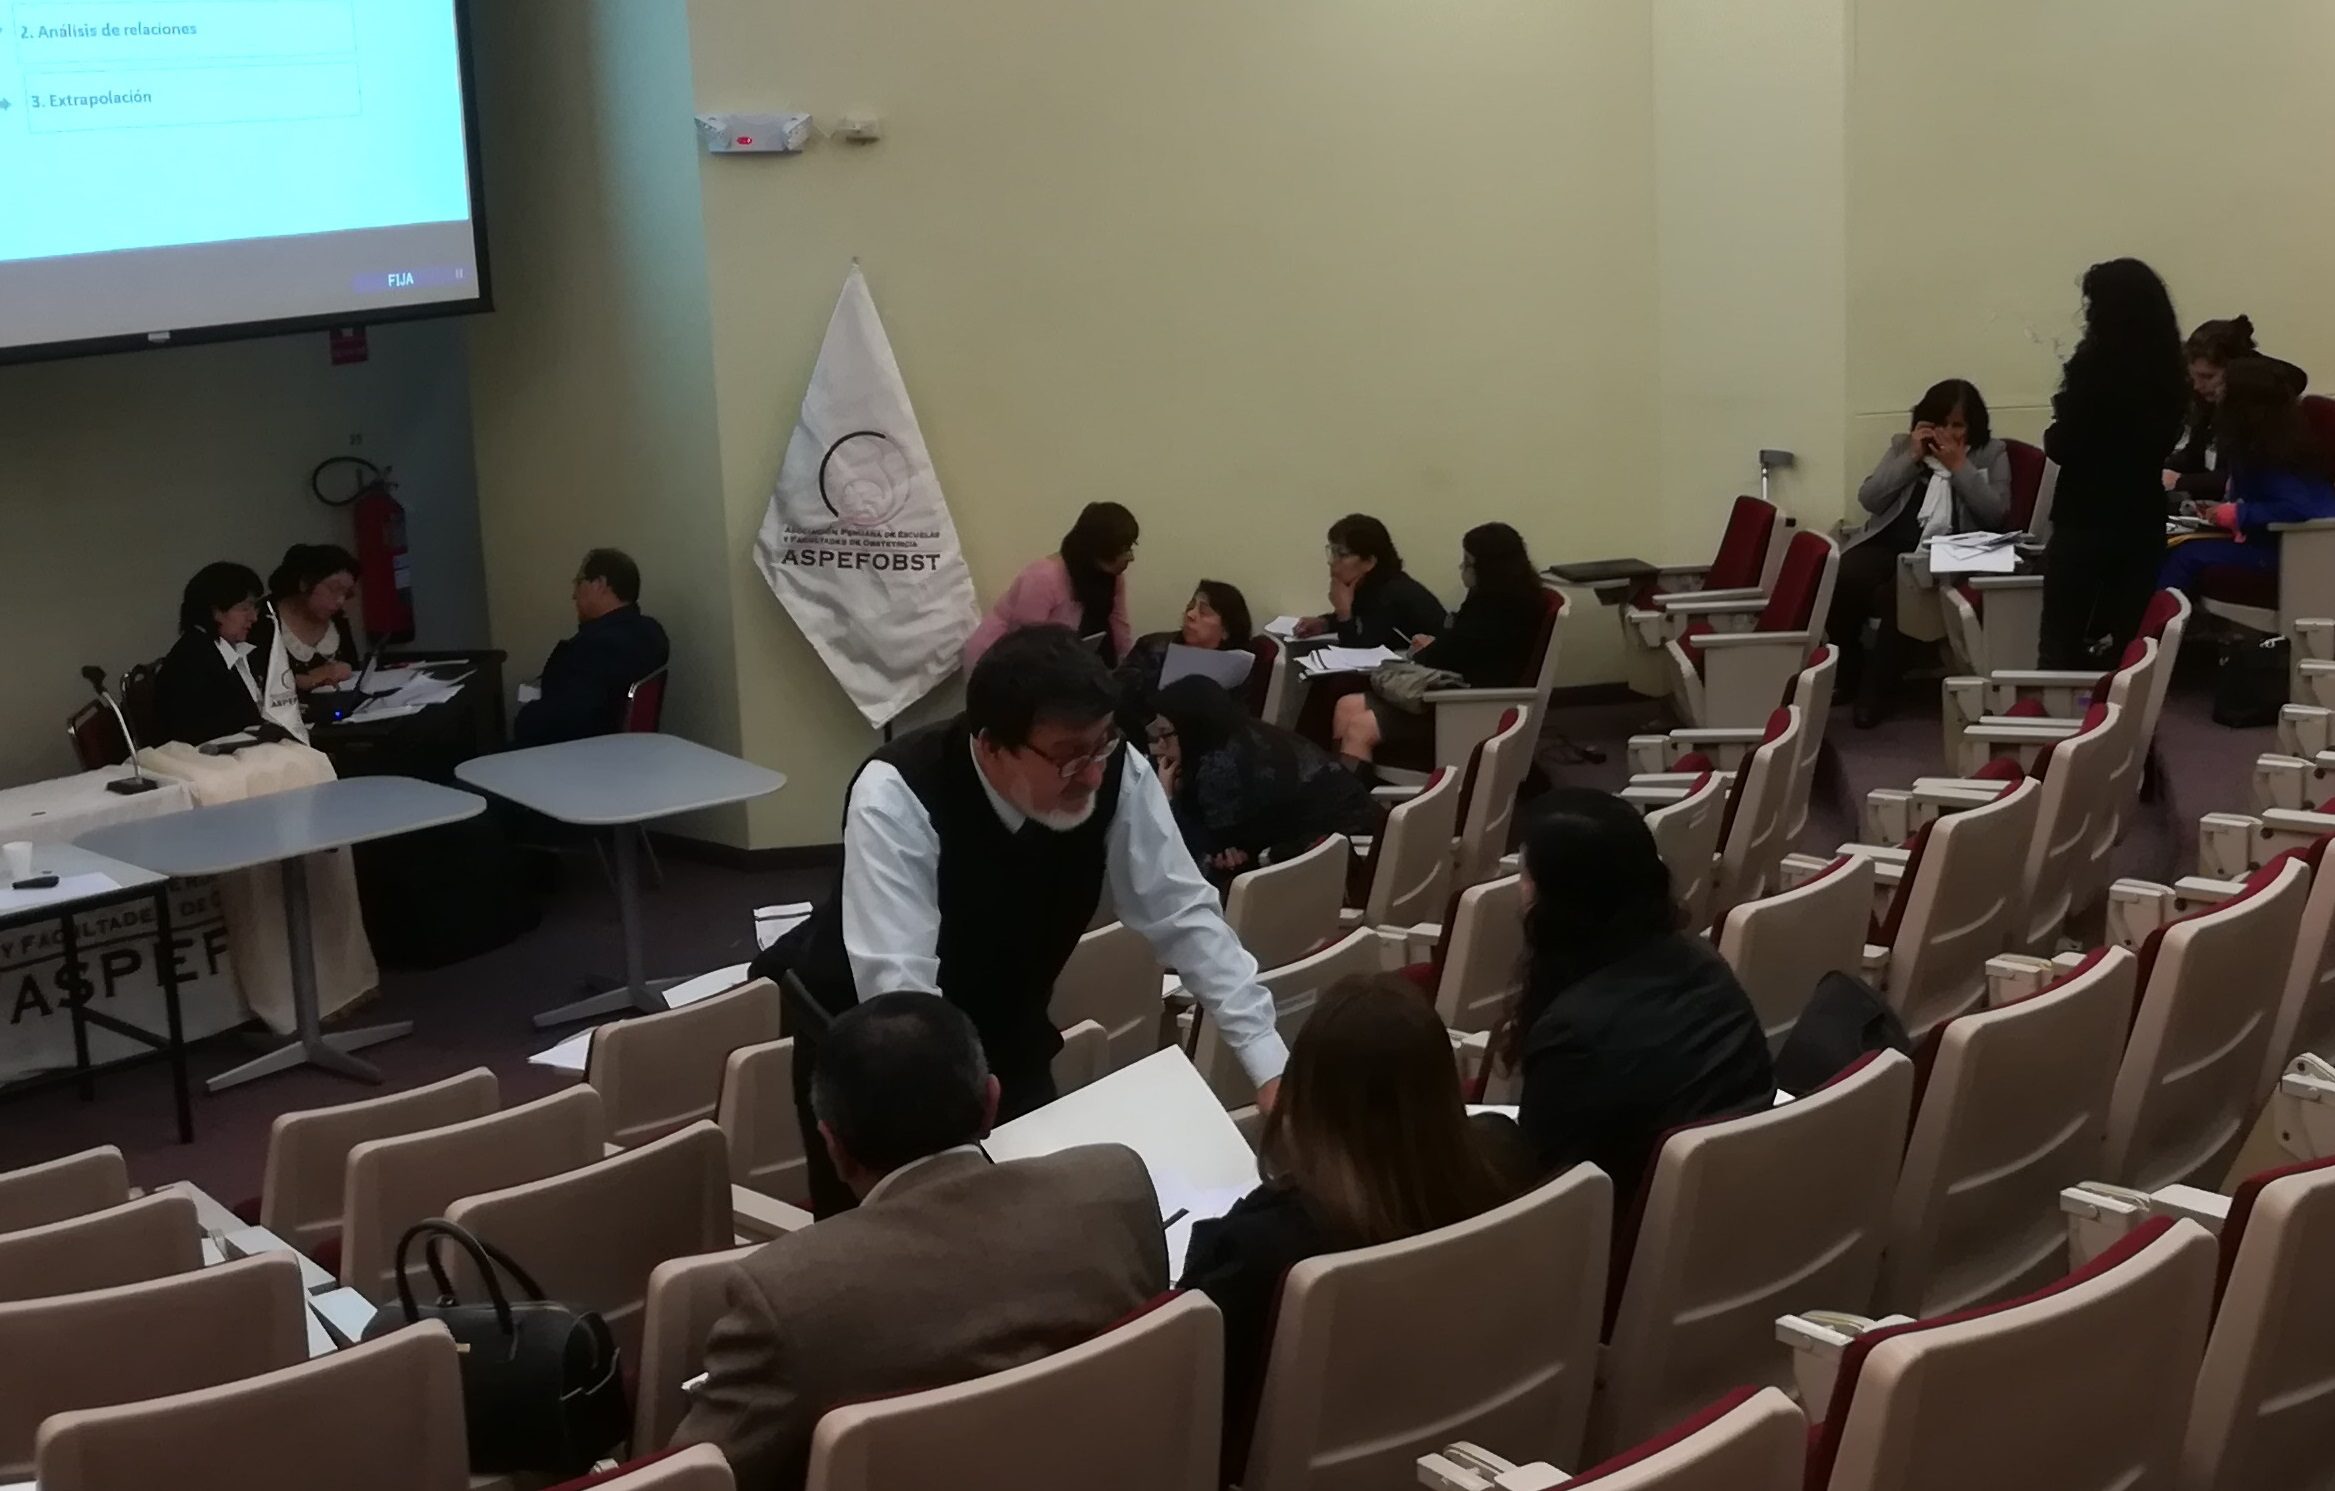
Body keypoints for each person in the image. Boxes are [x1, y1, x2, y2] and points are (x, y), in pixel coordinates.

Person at [751, 625, 1290, 1216]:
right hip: (879, 1055)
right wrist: (957, 1155)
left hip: (1009, 1031)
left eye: (1102, 744)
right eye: (1068, 756)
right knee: (894, 1246)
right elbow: (902, 996)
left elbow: (1185, 915)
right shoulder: (898, 792)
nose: (1092, 773)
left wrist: (1269, 1065)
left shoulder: (1113, 769)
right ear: (991, 747)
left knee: (1034, 1222)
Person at [673, 994, 1167, 1491]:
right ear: (991, 1102)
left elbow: (689, 1479)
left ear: (833, 1146)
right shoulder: (1115, 1187)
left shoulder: (784, 1294)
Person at [1179, 974, 1519, 1474]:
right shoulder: (1503, 1163)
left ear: (1306, 1099)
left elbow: (1184, 1395)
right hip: (1467, 1449)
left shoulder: (1261, 1250)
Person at [1504, 789, 1774, 1201]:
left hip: (1634, 1226)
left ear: (1557, 901)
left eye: (1526, 877)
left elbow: (1544, 1197)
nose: (1519, 891)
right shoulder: (1704, 963)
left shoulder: (1571, 1034)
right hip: (1739, 1197)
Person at [1830, 380, 2012, 727]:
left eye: (1957, 425)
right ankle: (1848, 672)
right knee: (1844, 575)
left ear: (1972, 425)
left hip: (1952, 551)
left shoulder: (1991, 453)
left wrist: (1960, 468)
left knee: (1899, 594)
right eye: (1939, 423)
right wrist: (1911, 458)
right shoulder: (1904, 446)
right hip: (1892, 543)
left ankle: (1876, 692)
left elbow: (1996, 515)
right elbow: (1870, 499)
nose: (1947, 433)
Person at [2039, 259, 2190, 669]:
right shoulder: (2169, 372)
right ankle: (2128, 709)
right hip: (2141, 514)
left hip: (2085, 514)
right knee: (2132, 645)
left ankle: (2061, 709)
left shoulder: (2092, 370)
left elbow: (2064, 445)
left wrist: (2058, 422)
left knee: (2061, 641)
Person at [1330, 522, 1542, 766]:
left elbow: (1442, 655)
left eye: (1468, 562)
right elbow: (1460, 645)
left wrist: (1426, 649)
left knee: (1360, 727)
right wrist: (1436, 645)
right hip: (1452, 690)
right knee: (1346, 706)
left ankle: (1350, 789)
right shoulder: (1499, 597)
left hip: (1463, 704)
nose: (1462, 568)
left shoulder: (1497, 610)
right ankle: (1336, 780)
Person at [1148, 676, 1380, 880]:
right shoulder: (1240, 734)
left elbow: (1189, 850)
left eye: (1165, 735)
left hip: (1336, 846)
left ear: (1192, 730)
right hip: (1339, 827)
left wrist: (1167, 797)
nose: (1158, 746)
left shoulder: (1221, 769)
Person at [2161, 355, 2335, 594]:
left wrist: (2238, 513)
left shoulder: (2274, 451)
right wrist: (2222, 509)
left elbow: (2299, 508)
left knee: (2185, 555)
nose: (2217, 392)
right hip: (2273, 540)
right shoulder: (2258, 440)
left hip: (2293, 549)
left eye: (2224, 386)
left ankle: (2158, 617)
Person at [512, 548, 670, 747]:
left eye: (579, 583)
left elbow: (560, 722)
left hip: (580, 752)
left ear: (600, 584)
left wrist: (523, 718)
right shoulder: (652, 633)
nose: (574, 595)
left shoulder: (596, 649)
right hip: (623, 749)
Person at [962, 502, 1139, 669]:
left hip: (1050, 662)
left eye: (1131, 547)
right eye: (1124, 550)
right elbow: (1024, 645)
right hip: (995, 664)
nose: (1131, 557)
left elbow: (1119, 627)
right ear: (1100, 550)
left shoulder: (1112, 578)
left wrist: (1128, 668)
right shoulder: (1042, 577)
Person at [154, 561, 269, 747]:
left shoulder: (227, 650)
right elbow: (199, 734)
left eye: (255, 608)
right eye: (244, 608)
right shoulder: (191, 661)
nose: (254, 617)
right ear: (215, 610)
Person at [1291, 514, 1446, 649]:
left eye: (1342, 554)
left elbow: (1358, 653)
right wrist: (1324, 623)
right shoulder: (1368, 584)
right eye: (1332, 551)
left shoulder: (1392, 594)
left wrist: (1343, 612)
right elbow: (1361, 619)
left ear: (1369, 562)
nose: (1331, 561)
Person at [1114, 579, 1255, 723]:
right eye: (1190, 606)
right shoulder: (1152, 647)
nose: (1190, 614)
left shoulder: (1237, 665)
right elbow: (1117, 697)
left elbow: (1237, 722)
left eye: (1204, 612)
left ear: (1226, 630)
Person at [259, 543, 362, 692]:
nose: (340, 600)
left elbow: (353, 670)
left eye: (346, 593)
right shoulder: (262, 620)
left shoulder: (338, 620)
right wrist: (311, 678)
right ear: (305, 583)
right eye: (334, 589)